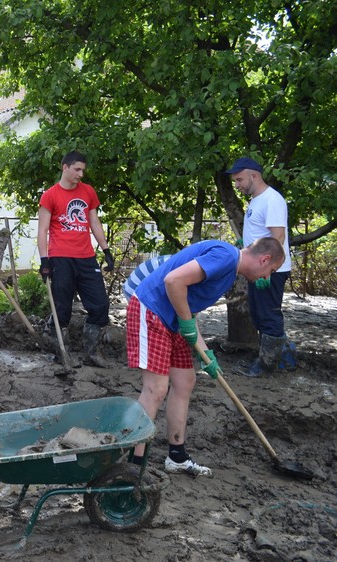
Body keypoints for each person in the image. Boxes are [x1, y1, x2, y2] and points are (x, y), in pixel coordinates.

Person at [127, 238, 285, 476]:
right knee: (155, 389)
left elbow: (186, 305)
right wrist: (187, 324)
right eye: (271, 271)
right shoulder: (226, 257)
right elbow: (173, 281)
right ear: (264, 259)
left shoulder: (230, 271)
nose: (267, 277)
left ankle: (177, 457)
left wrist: (206, 353)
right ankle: (133, 465)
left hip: (173, 320)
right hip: (151, 310)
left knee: (185, 381)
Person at [36, 150, 115, 367]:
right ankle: (62, 352)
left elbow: (94, 222)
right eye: (77, 169)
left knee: (100, 305)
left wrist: (106, 250)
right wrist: (44, 261)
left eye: (83, 170)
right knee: (62, 308)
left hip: (86, 258)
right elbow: (42, 230)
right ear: (65, 168)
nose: (81, 174)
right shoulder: (50, 195)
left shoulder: (88, 191)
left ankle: (92, 353)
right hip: (60, 258)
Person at [225, 157, 296, 377]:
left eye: (239, 180)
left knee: (268, 316)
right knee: (258, 314)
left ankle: (267, 366)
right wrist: (246, 244)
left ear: (254, 176)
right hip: (260, 268)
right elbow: (262, 236)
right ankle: (282, 357)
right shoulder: (256, 200)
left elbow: (277, 237)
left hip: (271, 270)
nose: (237, 185)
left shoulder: (271, 199)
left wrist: (268, 270)